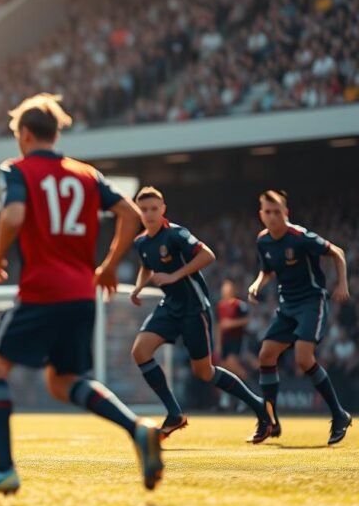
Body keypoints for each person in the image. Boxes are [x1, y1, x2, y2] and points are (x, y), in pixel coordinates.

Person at [0, 93, 162, 500]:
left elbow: (13, 216)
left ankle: (4, 469)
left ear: (27, 135)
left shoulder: (17, 169)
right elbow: (130, 215)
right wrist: (106, 266)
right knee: (63, 380)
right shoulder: (87, 174)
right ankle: (138, 430)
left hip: (42, 289)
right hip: (81, 293)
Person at [128, 187, 270, 442]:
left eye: (153, 209)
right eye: (144, 209)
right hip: (170, 306)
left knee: (204, 372)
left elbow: (208, 255)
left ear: (163, 210)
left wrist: (174, 275)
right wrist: (139, 286)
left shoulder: (176, 234)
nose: (148, 213)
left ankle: (259, 405)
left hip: (194, 308)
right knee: (140, 351)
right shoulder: (141, 242)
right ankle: (174, 413)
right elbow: (146, 266)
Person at [249, 190, 351, 445]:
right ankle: (270, 421)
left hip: (311, 302)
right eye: (267, 212)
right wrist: (257, 283)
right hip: (287, 306)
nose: (272, 217)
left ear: (286, 213)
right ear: (261, 215)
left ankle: (339, 415)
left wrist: (342, 285)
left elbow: (336, 252)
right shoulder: (263, 241)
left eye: (277, 211)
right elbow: (267, 270)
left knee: (303, 359)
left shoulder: (300, 237)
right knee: (266, 355)